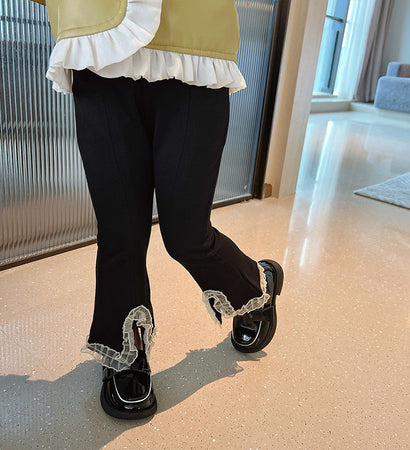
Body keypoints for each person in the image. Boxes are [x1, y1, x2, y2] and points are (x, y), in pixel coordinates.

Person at [30, 0, 284, 420]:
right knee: (120, 234)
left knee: (187, 235)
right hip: (96, 40)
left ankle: (254, 287)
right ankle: (126, 347)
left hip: (194, 44)